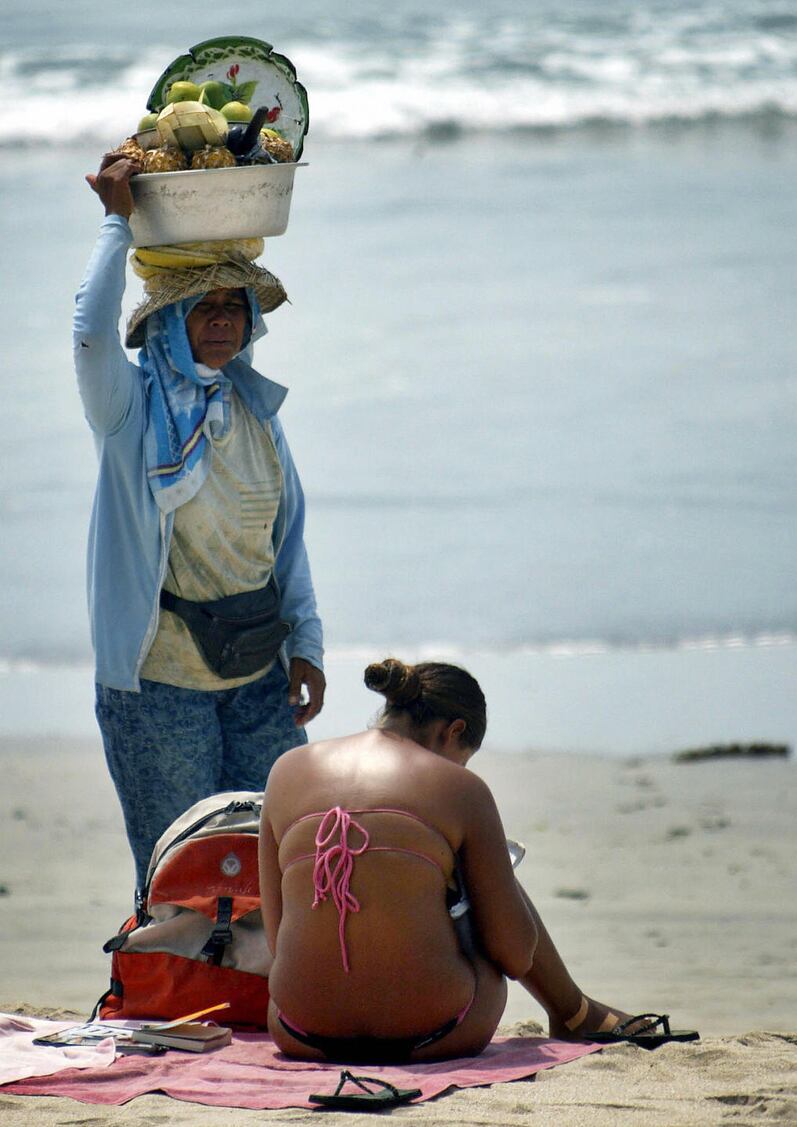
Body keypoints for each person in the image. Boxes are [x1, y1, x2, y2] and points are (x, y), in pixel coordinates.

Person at [75, 153, 325, 893]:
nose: (221, 319)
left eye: (234, 305)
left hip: (259, 677)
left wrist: (306, 642)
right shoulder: (129, 411)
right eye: (202, 305)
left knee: (275, 873)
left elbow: (286, 541)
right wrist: (117, 222)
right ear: (171, 322)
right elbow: (89, 330)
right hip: (160, 687)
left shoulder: (256, 411)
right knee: (179, 881)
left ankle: (258, 1008)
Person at [259, 658, 646, 1063]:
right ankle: (573, 1012)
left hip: (300, 1033)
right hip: (433, 1035)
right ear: (454, 731)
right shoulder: (462, 789)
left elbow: (277, 937)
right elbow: (514, 953)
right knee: (489, 881)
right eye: (463, 756)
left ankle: (575, 1011)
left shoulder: (285, 770)